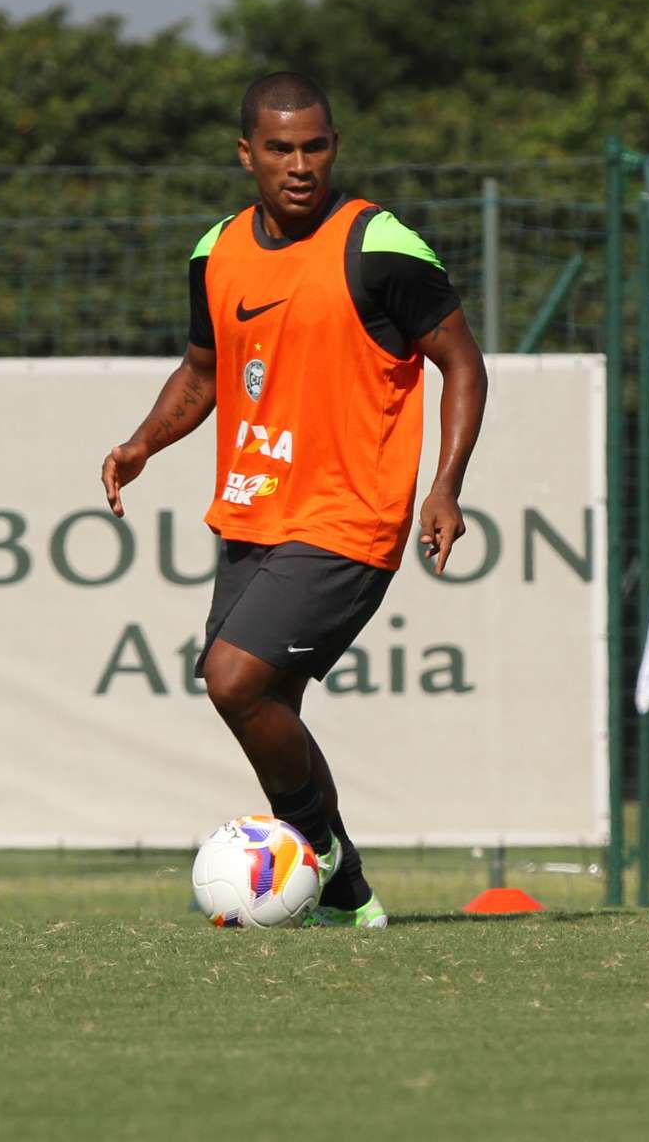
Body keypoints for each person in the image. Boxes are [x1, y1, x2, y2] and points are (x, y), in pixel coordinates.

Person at [100, 71, 488, 928]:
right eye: (280, 148)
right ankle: (347, 897)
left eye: (314, 145)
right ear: (248, 155)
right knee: (268, 707)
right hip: (249, 512)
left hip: (349, 518)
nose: (299, 164)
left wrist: (446, 484)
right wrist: (141, 443)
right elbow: (204, 372)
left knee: (232, 680)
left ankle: (317, 850)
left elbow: (462, 360)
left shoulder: (381, 244)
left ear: (334, 147)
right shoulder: (215, 252)